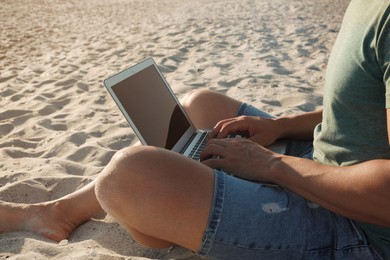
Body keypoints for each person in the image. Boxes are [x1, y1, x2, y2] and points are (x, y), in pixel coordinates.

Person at [1, 0, 389, 259]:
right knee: (200, 106)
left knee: (127, 177)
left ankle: (121, 210)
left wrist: (272, 167)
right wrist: (279, 126)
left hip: (358, 224)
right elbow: (358, 107)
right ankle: (64, 211)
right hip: (326, 164)